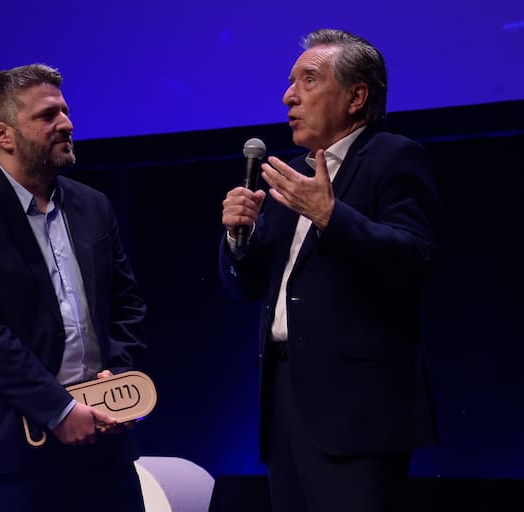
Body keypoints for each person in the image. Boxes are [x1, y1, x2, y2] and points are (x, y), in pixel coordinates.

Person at [219, 29, 440, 511]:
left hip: (358, 409)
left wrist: (331, 216)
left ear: (356, 98)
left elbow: (414, 258)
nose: (288, 96)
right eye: (290, 82)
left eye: (309, 80)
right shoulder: (293, 175)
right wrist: (238, 237)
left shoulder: (393, 157)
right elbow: (249, 288)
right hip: (284, 397)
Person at [0, 64, 148, 511]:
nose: (66, 124)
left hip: (103, 439)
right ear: (3, 135)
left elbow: (127, 306)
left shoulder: (93, 206)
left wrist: (116, 381)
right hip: (15, 449)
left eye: (65, 111)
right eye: (48, 115)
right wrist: (59, 409)